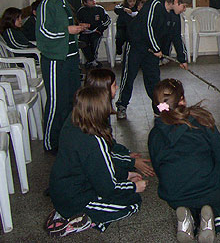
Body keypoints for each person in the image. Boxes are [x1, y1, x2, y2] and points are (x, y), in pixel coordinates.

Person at [46, 86, 146, 237]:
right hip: (77, 199)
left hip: (62, 190)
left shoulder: (72, 123)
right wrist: (133, 187)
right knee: (133, 203)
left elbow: (97, 168)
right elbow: (108, 188)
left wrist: (125, 175)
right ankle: (79, 220)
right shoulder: (94, 141)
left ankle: (66, 213)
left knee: (119, 187)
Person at [148, 78, 220, 243]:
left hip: (174, 194)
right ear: (182, 100)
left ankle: (186, 220)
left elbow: (158, 168)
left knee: (189, 191)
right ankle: (210, 222)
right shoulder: (202, 121)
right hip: (207, 187)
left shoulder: (155, 134)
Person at [116, 0, 191, 119]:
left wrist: (182, 58)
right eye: (184, 6)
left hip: (152, 52)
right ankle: (122, 105)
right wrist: (156, 48)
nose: (184, 9)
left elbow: (176, 37)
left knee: (154, 82)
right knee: (129, 77)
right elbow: (147, 28)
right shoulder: (154, 5)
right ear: (176, 1)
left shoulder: (175, 16)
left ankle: (159, 109)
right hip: (136, 47)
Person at [37, 0, 87, 153]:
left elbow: (64, 28)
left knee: (71, 99)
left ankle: (66, 138)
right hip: (55, 60)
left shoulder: (63, 2)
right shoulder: (47, 4)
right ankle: (51, 142)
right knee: (56, 102)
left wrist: (77, 28)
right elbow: (44, 32)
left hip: (70, 58)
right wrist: (68, 30)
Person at [85, 68, 155, 178]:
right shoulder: (91, 120)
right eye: (114, 86)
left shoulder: (95, 110)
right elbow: (102, 156)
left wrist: (125, 154)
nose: (117, 87)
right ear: (103, 91)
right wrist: (131, 162)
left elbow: (108, 143)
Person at [77, 0, 111, 69]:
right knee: (83, 42)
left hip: (96, 31)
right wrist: (82, 26)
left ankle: (92, 60)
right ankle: (92, 60)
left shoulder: (99, 9)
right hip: (85, 32)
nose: (93, 1)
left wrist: (100, 28)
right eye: (90, 0)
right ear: (85, 2)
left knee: (94, 41)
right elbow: (77, 22)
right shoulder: (81, 11)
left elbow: (108, 20)